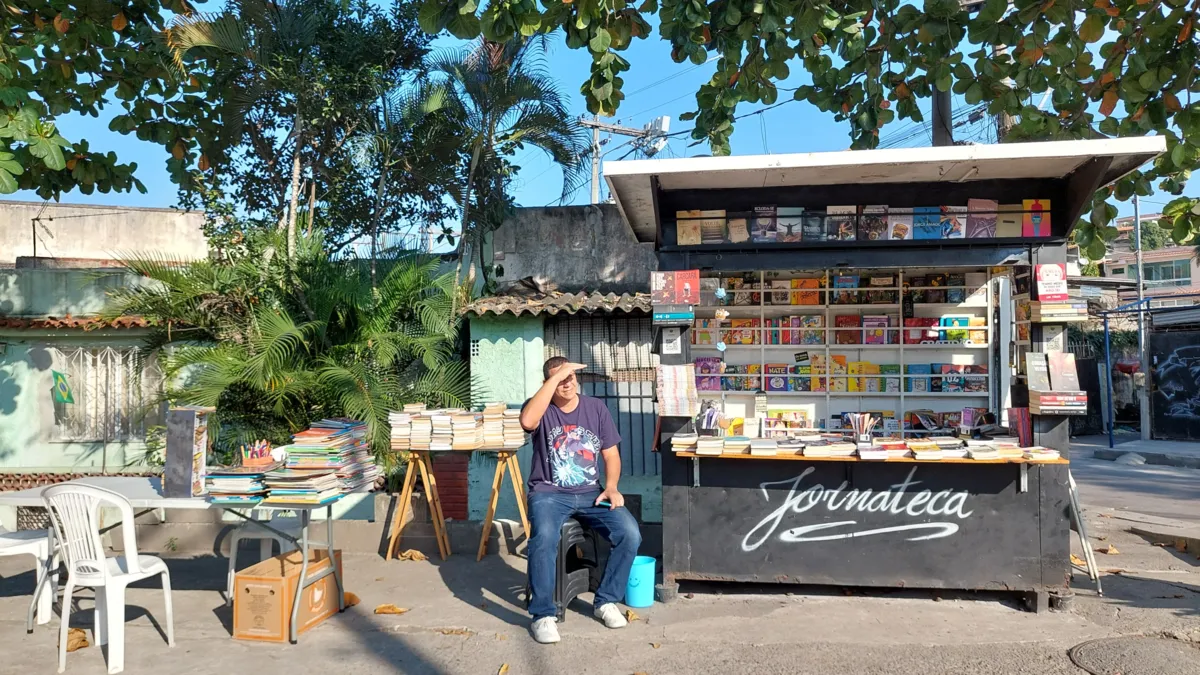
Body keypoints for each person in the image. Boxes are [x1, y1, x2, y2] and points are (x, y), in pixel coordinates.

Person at [520, 356, 642, 644]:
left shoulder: (595, 408)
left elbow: (611, 454)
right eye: (560, 378)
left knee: (630, 533)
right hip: (548, 493)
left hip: (591, 493)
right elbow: (527, 421)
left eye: (570, 377)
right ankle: (543, 615)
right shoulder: (541, 406)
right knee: (544, 538)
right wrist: (553, 379)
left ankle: (605, 601)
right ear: (548, 382)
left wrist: (611, 487)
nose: (567, 383)